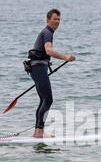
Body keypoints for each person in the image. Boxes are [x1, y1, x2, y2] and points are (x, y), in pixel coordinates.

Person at [29, 9, 75, 138]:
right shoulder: (47, 32)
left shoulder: (47, 32)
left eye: (59, 19)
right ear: (48, 20)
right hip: (38, 68)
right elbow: (48, 51)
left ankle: (38, 132)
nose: (57, 22)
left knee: (44, 99)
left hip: (37, 68)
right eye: (55, 19)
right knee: (48, 99)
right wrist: (65, 57)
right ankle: (39, 131)